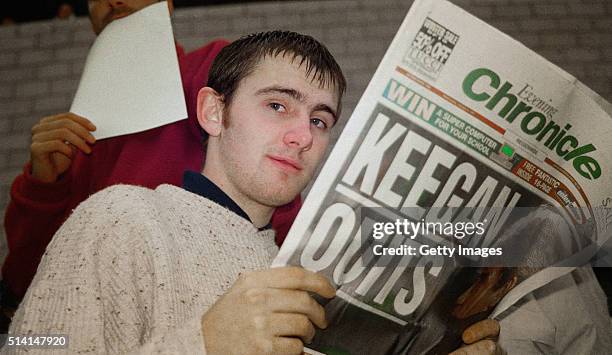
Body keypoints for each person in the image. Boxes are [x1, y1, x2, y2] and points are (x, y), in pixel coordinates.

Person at [4, 31, 500, 355]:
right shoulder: (122, 216)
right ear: (214, 113)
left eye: (320, 120)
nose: (304, 136)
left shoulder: (311, 273)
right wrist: (204, 344)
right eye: (279, 105)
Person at [1, 0, 300, 315]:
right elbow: (25, 285)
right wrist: (44, 184)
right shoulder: (70, 143)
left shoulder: (212, 72)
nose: (112, 0)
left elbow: (278, 199)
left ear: (167, 4)